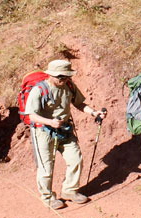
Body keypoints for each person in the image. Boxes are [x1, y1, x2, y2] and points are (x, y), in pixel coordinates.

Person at [24, 60, 106, 209]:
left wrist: (94, 113)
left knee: (76, 159)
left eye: (66, 76)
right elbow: (31, 116)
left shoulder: (69, 86)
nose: (64, 79)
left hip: (65, 129)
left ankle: (70, 190)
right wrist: (50, 122)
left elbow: (79, 103)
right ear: (51, 75)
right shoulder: (39, 90)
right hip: (43, 132)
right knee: (46, 168)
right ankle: (47, 197)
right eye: (60, 77)